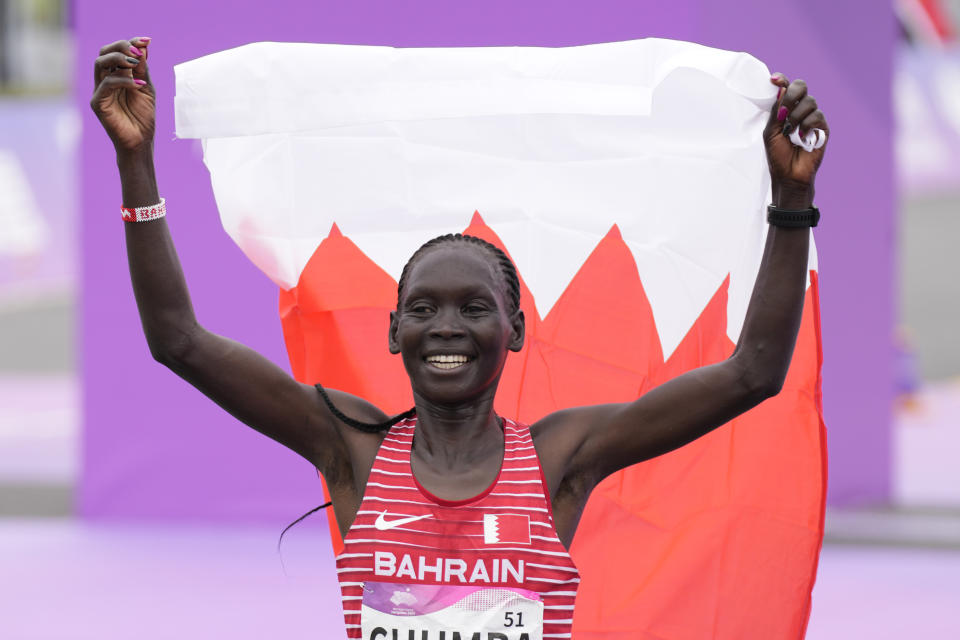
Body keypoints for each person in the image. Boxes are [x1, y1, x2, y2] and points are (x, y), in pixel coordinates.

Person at [92, 36, 828, 639]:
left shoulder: (558, 458)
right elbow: (178, 340)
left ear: (514, 332)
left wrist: (791, 200)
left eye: (474, 307)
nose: (446, 326)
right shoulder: (350, 447)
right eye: (423, 309)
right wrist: (136, 162)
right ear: (394, 332)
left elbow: (753, 373)